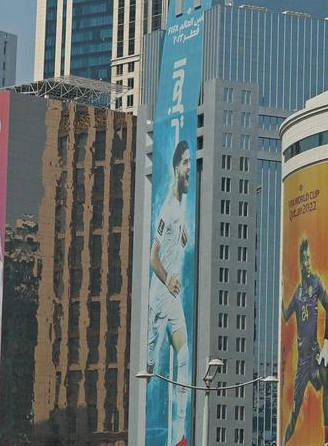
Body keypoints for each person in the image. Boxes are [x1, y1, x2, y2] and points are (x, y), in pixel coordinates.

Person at [148, 140, 193, 446]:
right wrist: (167, 280)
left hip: (173, 298)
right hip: (159, 296)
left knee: (184, 354)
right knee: (150, 367)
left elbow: (175, 243)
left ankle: (179, 435)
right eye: (186, 163)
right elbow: (153, 258)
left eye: (192, 161)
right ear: (177, 167)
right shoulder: (167, 208)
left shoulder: (183, 204)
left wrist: (183, 238)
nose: (190, 168)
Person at [281, 239, 328, 445]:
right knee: (294, 413)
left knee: (327, 379)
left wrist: (327, 345)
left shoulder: (317, 283)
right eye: (304, 259)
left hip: (315, 352)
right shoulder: (297, 294)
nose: (307, 262)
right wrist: (280, 296)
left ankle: (327, 441)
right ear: (300, 263)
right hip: (302, 364)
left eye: (308, 257)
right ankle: (283, 442)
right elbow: (286, 316)